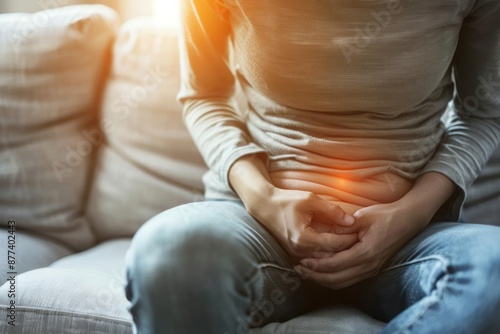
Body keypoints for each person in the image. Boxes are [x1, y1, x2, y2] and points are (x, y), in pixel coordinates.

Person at [125, 0, 500, 333]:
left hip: (407, 244)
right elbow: (203, 95)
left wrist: (412, 214)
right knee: (168, 252)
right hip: (257, 229)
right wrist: (264, 199)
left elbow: (483, 112)